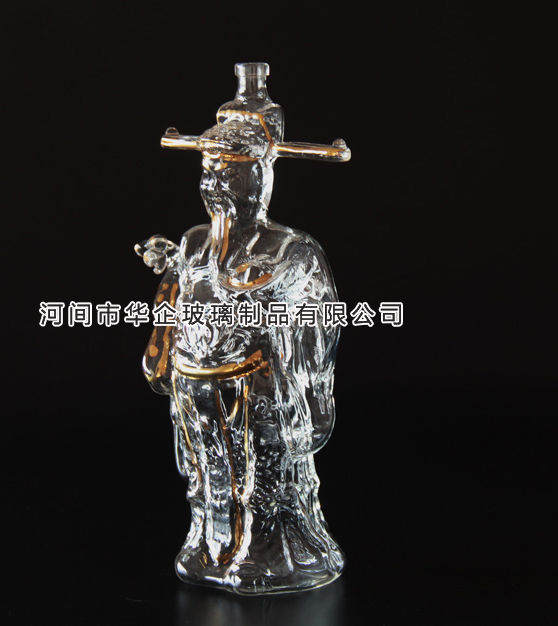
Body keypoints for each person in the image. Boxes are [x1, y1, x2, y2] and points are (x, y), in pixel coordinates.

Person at [138, 110, 345, 594]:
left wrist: (308, 389)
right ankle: (211, 545)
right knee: (205, 474)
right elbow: (176, 298)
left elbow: (319, 317)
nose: (215, 184)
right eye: (208, 172)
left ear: (260, 176)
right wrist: (162, 348)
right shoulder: (194, 242)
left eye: (228, 172)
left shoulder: (290, 250)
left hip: (257, 389)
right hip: (195, 387)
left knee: (263, 478)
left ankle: (264, 554)